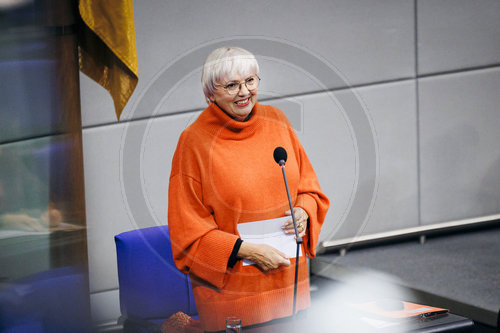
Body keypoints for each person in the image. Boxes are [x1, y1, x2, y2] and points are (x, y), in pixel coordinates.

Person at [168, 46, 329, 332]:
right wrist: (248, 251)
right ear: (210, 94)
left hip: (291, 289)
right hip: (234, 301)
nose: (244, 92)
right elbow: (187, 232)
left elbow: (310, 188)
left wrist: (304, 210)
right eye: (231, 85)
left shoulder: (277, 120)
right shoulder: (193, 142)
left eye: (250, 81)